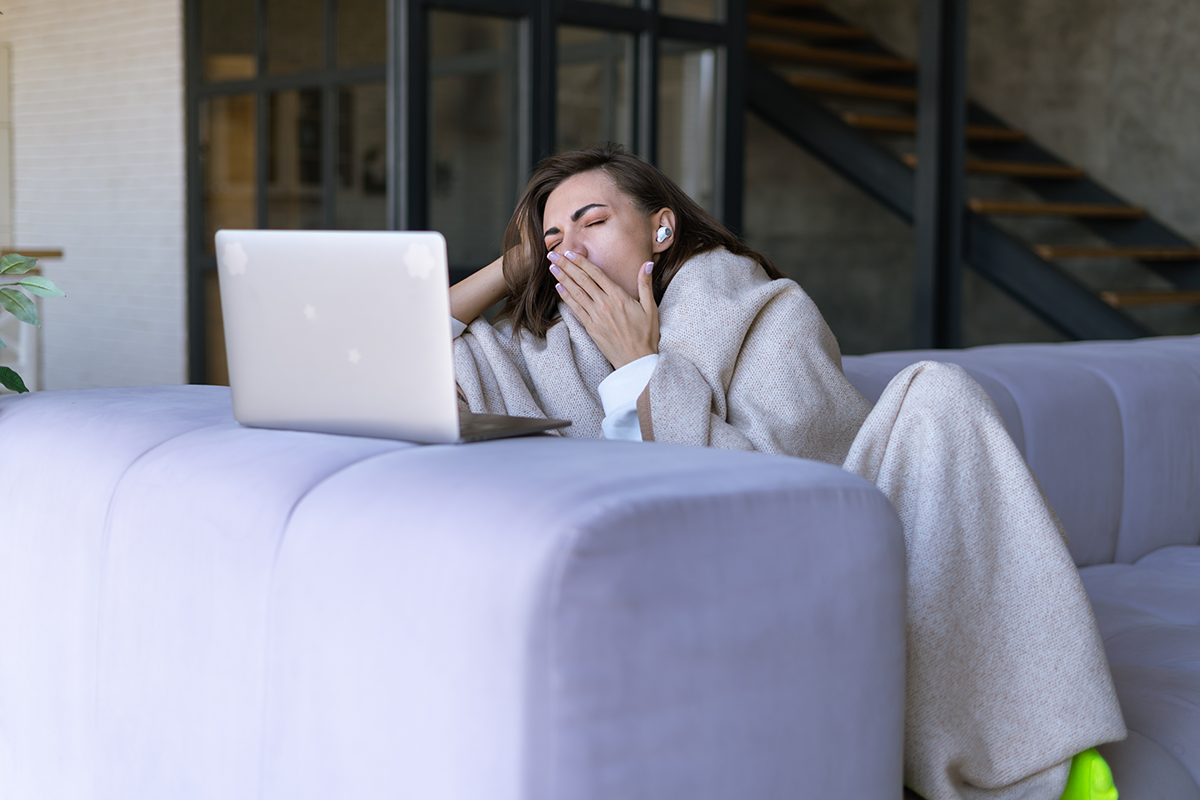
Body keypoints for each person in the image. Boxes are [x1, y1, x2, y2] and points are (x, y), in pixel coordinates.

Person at [448, 144, 1126, 800]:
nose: (572, 246)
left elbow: (794, 500)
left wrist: (644, 370)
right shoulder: (539, 355)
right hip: (650, 592)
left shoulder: (763, 311)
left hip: (801, 579)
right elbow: (402, 347)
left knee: (938, 392)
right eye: (552, 238)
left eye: (593, 221)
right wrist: (513, 267)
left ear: (661, 228)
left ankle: (1039, 757)